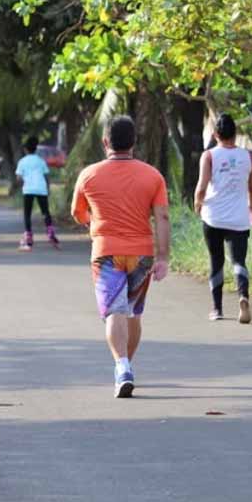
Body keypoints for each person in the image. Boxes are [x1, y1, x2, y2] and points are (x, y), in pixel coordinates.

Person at [71, 115, 171, 398]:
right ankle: (125, 366)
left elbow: (77, 213)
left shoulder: (89, 175)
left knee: (115, 311)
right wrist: (163, 256)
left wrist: (94, 221)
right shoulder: (153, 176)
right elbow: (162, 216)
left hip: (106, 253)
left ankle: (122, 365)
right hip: (142, 253)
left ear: (105, 142)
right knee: (133, 312)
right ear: (134, 143)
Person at [193, 113, 252, 323]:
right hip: (239, 217)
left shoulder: (209, 156)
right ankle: (243, 297)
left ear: (215, 134)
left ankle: (217, 309)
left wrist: (197, 204)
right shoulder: (248, 156)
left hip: (213, 217)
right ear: (235, 134)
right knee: (239, 260)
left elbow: (201, 187)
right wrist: (251, 208)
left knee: (216, 261)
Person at [16, 135, 59, 250]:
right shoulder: (41, 161)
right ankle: (50, 232)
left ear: (26, 149)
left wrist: (22, 185)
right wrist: (48, 188)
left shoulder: (22, 161)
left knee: (27, 214)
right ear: (35, 149)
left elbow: (19, 178)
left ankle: (28, 236)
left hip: (28, 189)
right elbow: (46, 176)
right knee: (45, 212)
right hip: (41, 188)